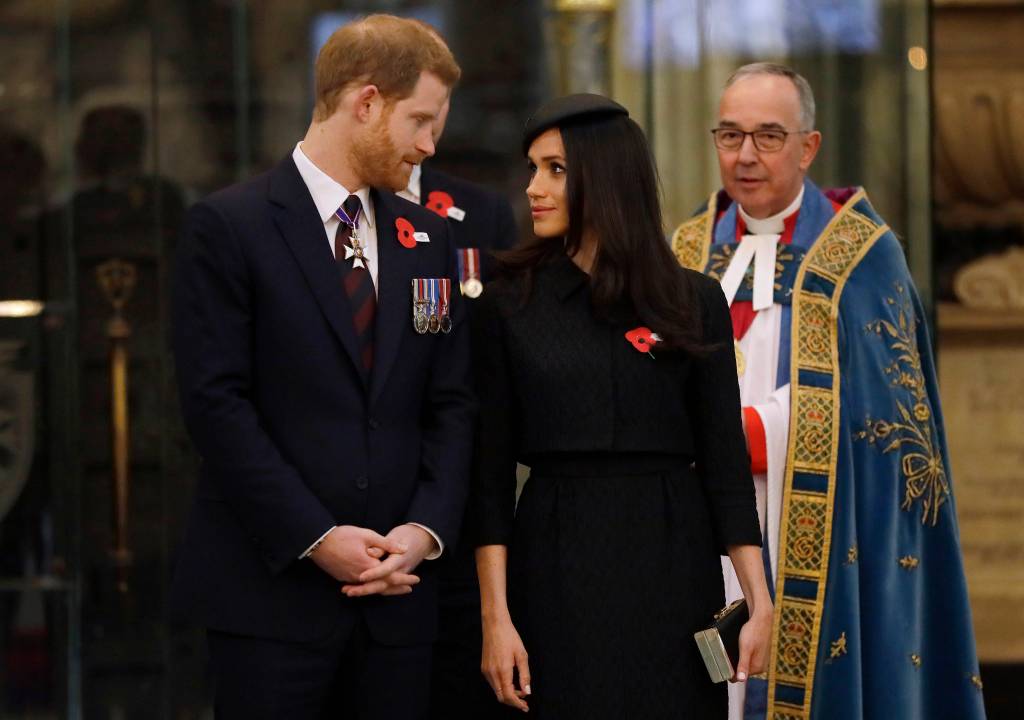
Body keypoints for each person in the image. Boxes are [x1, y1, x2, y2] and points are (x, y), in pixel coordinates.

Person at [170, 15, 474, 719]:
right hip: (269, 597)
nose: (430, 146)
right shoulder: (229, 227)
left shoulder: (428, 239)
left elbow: (453, 401)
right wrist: (316, 536)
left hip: (400, 604)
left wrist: (423, 531)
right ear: (366, 102)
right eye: (420, 121)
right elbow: (216, 405)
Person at [671, 62, 985, 720]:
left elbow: (883, 420)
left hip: (818, 522)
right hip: (701, 519)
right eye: (730, 136)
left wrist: (746, 434)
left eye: (768, 137)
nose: (746, 156)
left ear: (809, 146)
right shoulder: (686, 250)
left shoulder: (864, 257)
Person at [470, 93, 773, 719]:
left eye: (554, 169)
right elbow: (488, 480)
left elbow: (724, 464)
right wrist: (495, 620)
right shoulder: (508, 306)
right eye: (532, 168)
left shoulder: (693, 300)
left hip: (672, 560)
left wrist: (758, 600)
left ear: (604, 176)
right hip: (554, 558)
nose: (533, 187)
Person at [397, 102, 519, 719]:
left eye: (439, 118)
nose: (429, 140)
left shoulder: (477, 212)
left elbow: (485, 365)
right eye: (418, 118)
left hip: (458, 502)